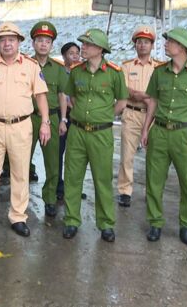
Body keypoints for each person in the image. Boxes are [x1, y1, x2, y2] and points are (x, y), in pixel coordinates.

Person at [0, 22, 50, 238]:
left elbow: (41, 96)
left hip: (21, 126)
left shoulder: (31, 66)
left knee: (20, 174)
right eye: (2, 40)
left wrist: (45, 122)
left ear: (19, 42)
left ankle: (18, 217)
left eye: (11, 39)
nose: (7, 43)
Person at [140, 28, 187, 246]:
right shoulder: (159, 72)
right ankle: (155, 223)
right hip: (160, 132)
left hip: (185, 133)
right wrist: (146, 129)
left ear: (182, 47)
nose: (165, 44)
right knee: (154, 180)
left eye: (170, 41)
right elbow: (153, 102)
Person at [62, 29, 128, 242]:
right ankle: (71, 220)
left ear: (100, 49)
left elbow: (122, 101)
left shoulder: (114, 72)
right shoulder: (76, 71)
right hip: (77, 131)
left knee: (102, 180)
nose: (83, 47)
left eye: (88, 44)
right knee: (73, 177)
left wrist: (106, 116)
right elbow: (70, 96)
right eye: (83, 43)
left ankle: (106, 224)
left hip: (101, 133)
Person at [27, 21, 68, 217]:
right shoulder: (25, 64)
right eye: (40, 40)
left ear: (52, 45)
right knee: (22, 161)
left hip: (51, 117)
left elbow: (62, 95)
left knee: (53, 162)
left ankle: (50, 199)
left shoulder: (58, 68)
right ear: (33, 43)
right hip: (28, 119)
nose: (43, 44)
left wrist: (63, 120)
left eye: (47, 41)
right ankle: (19, 200)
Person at [117, 25, 159, 208]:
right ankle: (125, 191)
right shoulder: (126, 66)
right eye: (139, 42)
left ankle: (152, 191)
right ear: (135, 45)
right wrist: (145, 96)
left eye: (146, 42)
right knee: (127, 155)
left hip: (153, 117)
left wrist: (141, 95)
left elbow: (160, 93)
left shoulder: (159, 68)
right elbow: (125, 90)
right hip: (132, 113)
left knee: (155, 156)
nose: (143, 45)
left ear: (152, 45)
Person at [57, 42, 84, 202]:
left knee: (75, 156)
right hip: (64, 116)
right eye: (71, 53)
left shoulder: (82, 72)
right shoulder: (61, 72)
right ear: (64, 56)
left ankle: (73, 188)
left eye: (77, 52)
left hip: (78, 117)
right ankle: (59, 186)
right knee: (59, 153)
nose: (75, 55)